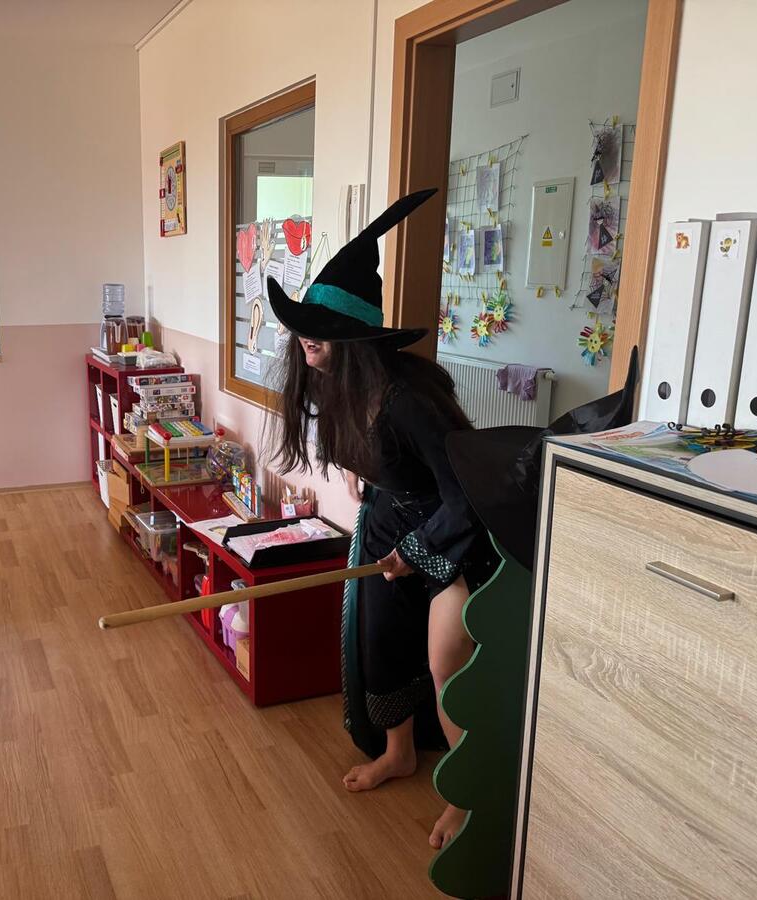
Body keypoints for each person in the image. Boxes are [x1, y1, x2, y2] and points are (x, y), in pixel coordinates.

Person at [267, 190, 497, 849]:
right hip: (389, 525)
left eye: (323, 329)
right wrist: (363, 475)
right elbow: (375, 455)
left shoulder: (410, 398)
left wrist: (418, 555)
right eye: (304, 325)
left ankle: (467, 795)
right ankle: (400, 753)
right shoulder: (334, 382)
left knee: (446, 665)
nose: (307, 339)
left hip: (455, 538)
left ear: (359, 340)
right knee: (383, 645)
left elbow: (466, 495)